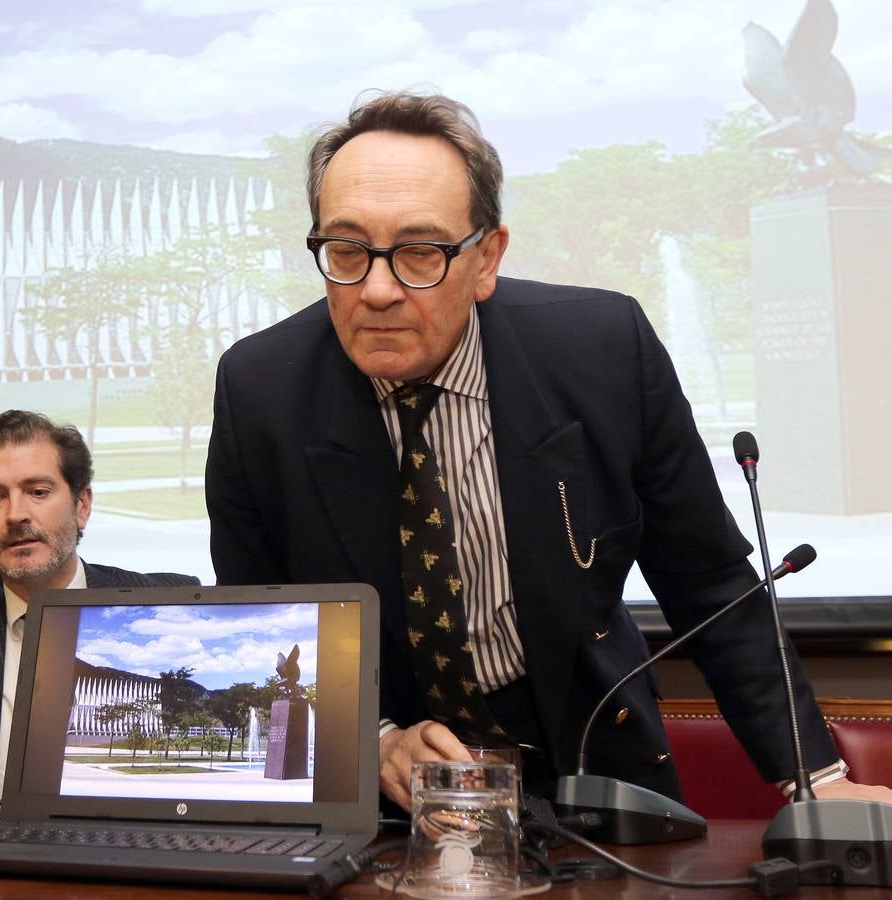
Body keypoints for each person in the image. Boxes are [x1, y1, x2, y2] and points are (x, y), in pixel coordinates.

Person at [204, 91, 891, 811]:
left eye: (419, 253)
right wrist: (372, 739)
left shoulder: (602, 351)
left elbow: (713, 588)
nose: (376, 290)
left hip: (590, 758)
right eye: (346, 251)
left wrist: (818, 783)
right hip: (389, 791)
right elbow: (257, 624)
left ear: (487, 258)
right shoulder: (261, 389)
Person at [0, 410, 199, 804]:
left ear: (81, 505)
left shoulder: (168, 599)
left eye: (37, 491)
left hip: (131, 852)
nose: (16, 514)